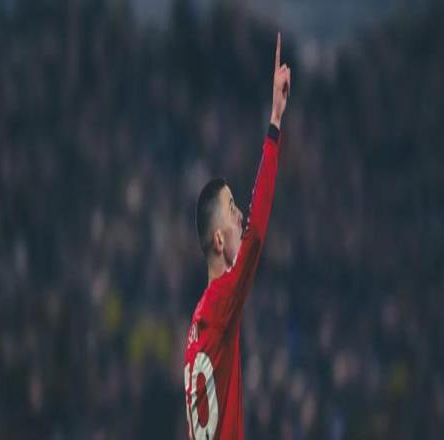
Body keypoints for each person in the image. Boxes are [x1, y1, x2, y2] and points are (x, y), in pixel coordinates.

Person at [183, 32, 291, 439]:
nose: (240, 215)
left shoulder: (196, 326)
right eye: (232, 210)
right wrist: (274, 123)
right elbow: (257, 231)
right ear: (218, 240)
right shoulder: (221, 300)